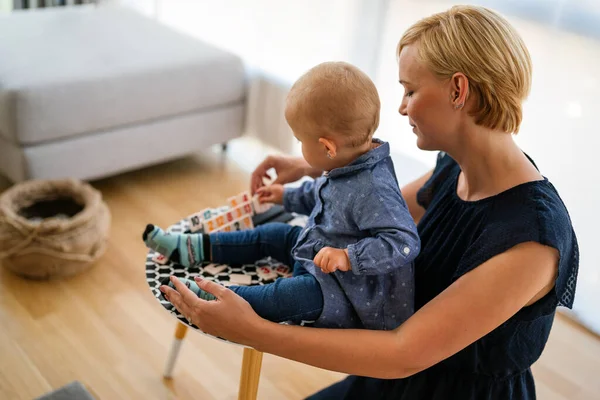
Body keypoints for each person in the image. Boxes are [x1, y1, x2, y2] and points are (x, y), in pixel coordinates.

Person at [159, 5, 579, 399]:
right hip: (393, 379)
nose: (400, 107)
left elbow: (403, 352)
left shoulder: (532, 241)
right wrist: (318, 163)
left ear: (458, 90)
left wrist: (253, 331)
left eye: (410, 90)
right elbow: (378, 208)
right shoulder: (454, 168)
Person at [145, 61, 420, 329]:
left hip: (346, 292)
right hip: (315, 255)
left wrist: (348, 257)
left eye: (300, 141)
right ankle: (191, 247)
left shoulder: (375, 189)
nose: (299, 147)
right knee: (272, 234)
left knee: (287, 296)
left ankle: (217, 297)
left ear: (327, 147)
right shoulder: (348, 164)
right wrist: (284, 196)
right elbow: (324, 196)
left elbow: (404, 242)